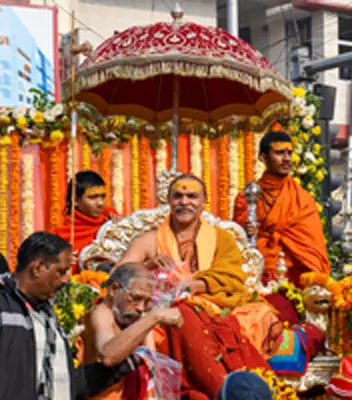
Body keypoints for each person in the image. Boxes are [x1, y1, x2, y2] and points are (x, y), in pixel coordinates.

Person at [117, 174, 276, 399]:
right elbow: (118, 276)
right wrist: (147, 266)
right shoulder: (149, 240)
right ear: (168, 200)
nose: (185, 202)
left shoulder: (222, 238)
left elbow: (232, 277)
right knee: (182, 314)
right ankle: (221, 391)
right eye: (178, 196)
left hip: (212, 304)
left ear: (203, 202)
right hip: (166, 309)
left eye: (192, 196)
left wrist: (194, 285)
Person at [0, 232, 140, 399]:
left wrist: (122, 366)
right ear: (36, 268)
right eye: (61, 271)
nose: (66, 280)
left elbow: (66, 384)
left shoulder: (46, 315)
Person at [232, 130, 330, 286]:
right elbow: (236, 243)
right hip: (256, 274)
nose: (286, 159)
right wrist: (246, 232)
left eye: (289, 153)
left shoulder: (302, 199)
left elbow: (312, 249)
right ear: (264, 158)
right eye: (279, 153)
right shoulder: (247, 197)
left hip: (293, 276)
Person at [80, 263, 184, 399]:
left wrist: (147, 325)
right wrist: (153, 317)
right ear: (113, 289)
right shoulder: (100, 313)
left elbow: (152, 367)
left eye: (147, 302)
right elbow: (108, 356)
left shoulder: (133, 317)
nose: (141, 307)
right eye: (135, 298)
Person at [54, 171, 121, 274]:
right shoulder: (62, 235)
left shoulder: (113, 224)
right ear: (75, 201)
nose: (100, 203)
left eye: (103, 196)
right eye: (93, 197)